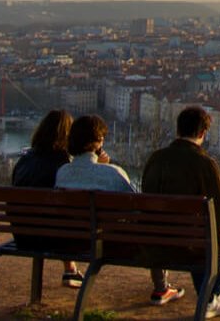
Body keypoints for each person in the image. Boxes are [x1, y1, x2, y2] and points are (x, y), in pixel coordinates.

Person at [54, 115, 185, 306]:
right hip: (116, 245)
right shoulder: (112, 173)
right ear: (98, 142)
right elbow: (139, 207)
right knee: (154, 221)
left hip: (70, 242)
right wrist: (103, 167)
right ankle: (161, 287)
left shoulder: (63, 172)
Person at [142, 106, 220, 318]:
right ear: (202, 133)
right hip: (192, 243)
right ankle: (212, 295)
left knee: (201, 236)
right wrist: (219, 234)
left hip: (155, 240)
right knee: (215, 236)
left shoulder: (156, 159)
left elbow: (146, 194)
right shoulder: (205, 164)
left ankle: (207, 294)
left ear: (178, 130)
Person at [11, 109, 83, 289]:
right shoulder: (64, 165)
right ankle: (70, 268)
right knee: (69, 216)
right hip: (53, 238)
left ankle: (71, 268)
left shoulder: (24, 161)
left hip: (23, 236)